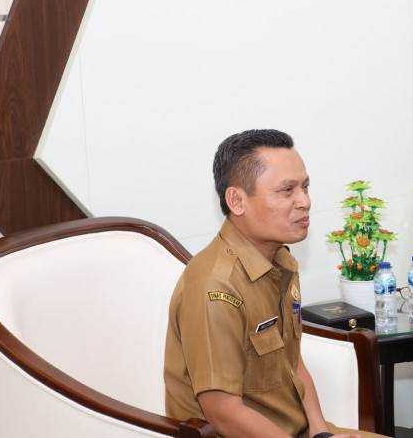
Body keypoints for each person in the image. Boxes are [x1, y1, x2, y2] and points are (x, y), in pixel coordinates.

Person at [164, 129, 384, 438]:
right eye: (287, 190)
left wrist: (322, 432)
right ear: (237, 200)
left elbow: (292, 362)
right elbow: (222, 411)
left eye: (305, 187)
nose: (305, 201)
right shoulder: (215, 287)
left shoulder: (281, 261)